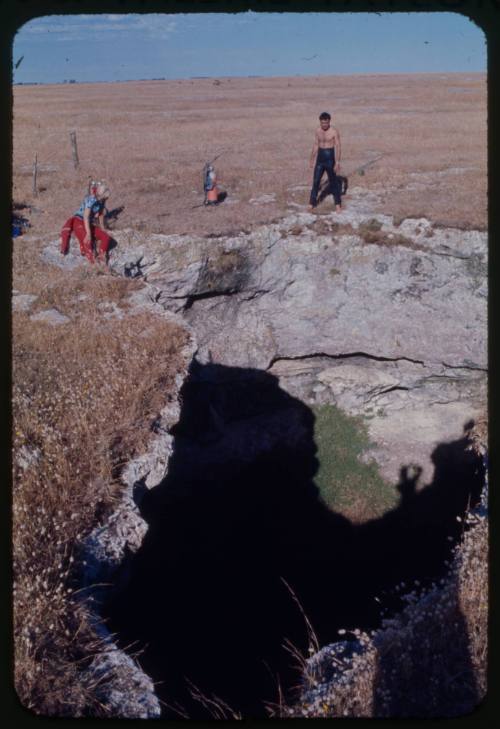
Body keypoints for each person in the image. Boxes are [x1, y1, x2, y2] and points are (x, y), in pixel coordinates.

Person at [60, 181, 112, 264]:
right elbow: (86, 217)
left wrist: (103, 228)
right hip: (79, 221)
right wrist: (88, 233)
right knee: (87, 240)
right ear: (101, 194)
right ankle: (93, 263)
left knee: (106, 237)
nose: (105, 199)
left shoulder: (102, 201)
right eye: (105, 197)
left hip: (89, 223)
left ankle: (102, 257)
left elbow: (101, 214)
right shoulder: (91, 200)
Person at [308, 112, 342, 212]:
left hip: (330, 157)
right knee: (316, 181)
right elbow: (315, 145)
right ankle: (312, 203)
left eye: (326, 123)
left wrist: (337, 162)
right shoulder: (317, 131)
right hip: (320, 158)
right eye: (322, 123)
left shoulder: (334, 132)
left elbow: (338, 147)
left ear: (329, 121)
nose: (324, 125)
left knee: (333, 182)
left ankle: (338, 204)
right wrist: (311, 159)